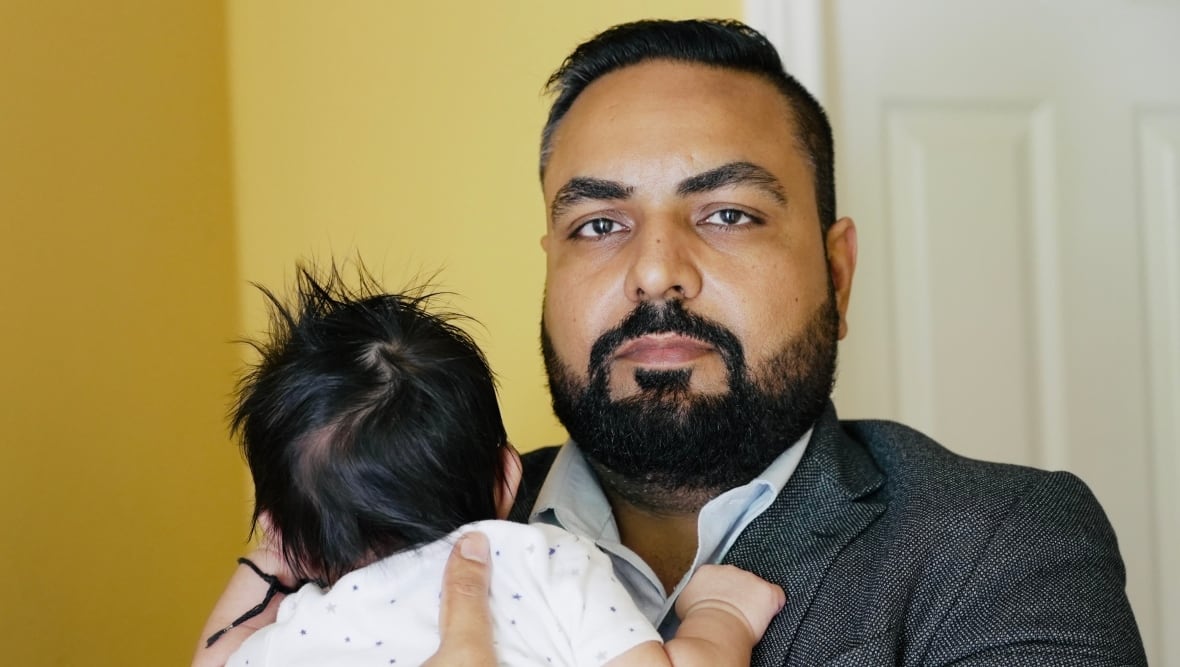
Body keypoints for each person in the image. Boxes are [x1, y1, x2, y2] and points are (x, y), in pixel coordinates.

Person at [197, 17, 1148, 666]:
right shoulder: (396, 510)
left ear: (839, 272)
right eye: (599, 225)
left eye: (728, 212)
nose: (656, 272)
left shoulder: (1006, 541)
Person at [198, 266, 785, 667]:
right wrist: (718, 618)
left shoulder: (300, 635)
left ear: (283, 535)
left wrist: (271, 555)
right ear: (509, 478)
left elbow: (216, 655)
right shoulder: (542, 561)